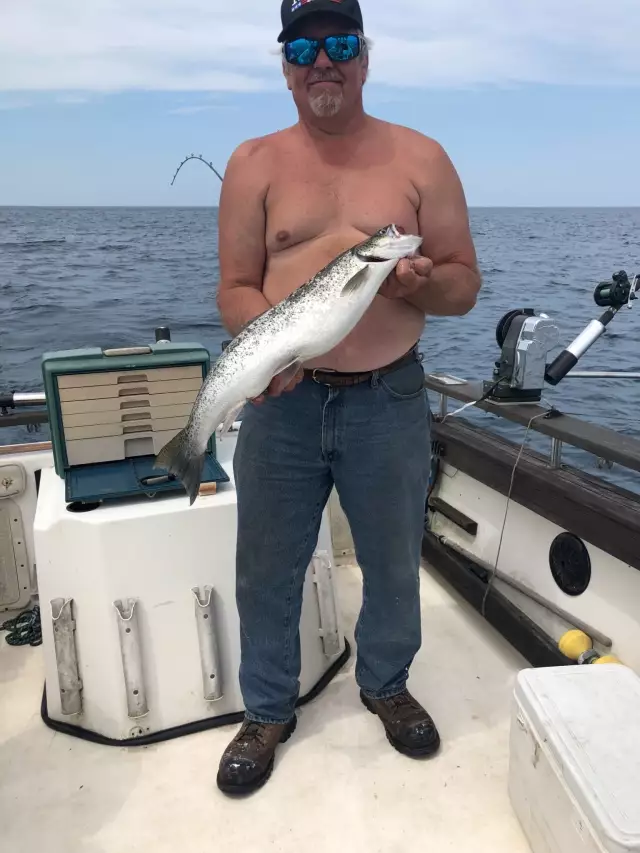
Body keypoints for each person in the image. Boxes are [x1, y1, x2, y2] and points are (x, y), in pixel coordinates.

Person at [215, 0, 481, 796]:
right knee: (267, 568)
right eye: (303, 46)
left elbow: (465, 283)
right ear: (285, 64)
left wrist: (426, 285)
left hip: (389, 401)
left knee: (396, 563)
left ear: (364, 57)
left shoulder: (421, 159)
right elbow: (233, 287)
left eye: (338, 44)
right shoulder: (254, 161)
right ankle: (266, 709)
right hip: (282, 405)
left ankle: (386, 684)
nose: (321, 59)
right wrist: (270, 349)